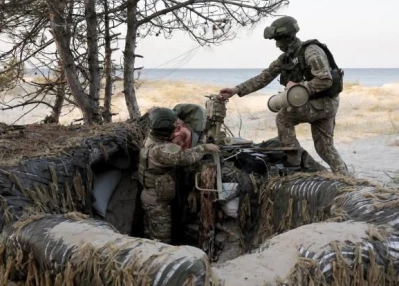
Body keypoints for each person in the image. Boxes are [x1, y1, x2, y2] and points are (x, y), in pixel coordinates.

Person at [219, 16, 348, 176]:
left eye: (278, 40)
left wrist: (299, 88)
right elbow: (264, 77)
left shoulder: (312, 51)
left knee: (284, 118)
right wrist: (237, 89)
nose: (277, 44)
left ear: (287, 37)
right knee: (325, 148)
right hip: (321, 104)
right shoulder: (286, 58)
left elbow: (325, 79)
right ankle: (346, 179)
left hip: (324, 103)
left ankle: (293, 163)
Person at [138, 107, 220, 244]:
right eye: (173, 126)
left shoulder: (151, 139)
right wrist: (204, 147)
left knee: (150, 233)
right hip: (157, 203)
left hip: (150, 196)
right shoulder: (161, 150)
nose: (176, 127)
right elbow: (186, 157)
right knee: (160, 241)